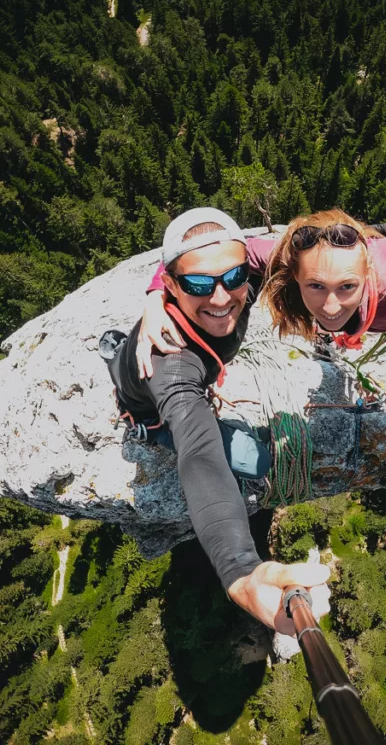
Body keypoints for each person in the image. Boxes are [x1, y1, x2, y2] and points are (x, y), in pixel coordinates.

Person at [101, 207, 330, 635]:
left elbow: (319, 244)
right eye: (199, 285)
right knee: (256, 462)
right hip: (162, 406)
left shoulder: (240, 271)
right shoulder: (169, 362)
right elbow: (199, 454)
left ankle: (118, 352)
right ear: (172, 284)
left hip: (194, 365)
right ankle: (133, 398)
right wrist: (242, 570)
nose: (222, 297)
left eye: (232, 278)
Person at [141, 209, 386, 410]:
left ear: (366, 273)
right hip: (371, 272)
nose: (330, 305)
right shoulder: (290, 257)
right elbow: (202, 254)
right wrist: (156, 299)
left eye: (346, 288)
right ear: (295, 271)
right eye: (315, 286)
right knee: (331, 315)